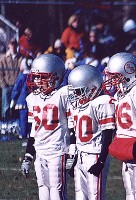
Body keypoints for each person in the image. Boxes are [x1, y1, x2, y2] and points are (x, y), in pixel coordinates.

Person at [103, 52, 136, 199]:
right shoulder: (122, 94)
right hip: (128, 147)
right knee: (130, 194)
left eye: (116, 77)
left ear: (129, 73)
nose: (112, 81)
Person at [20, 54, 70, 200]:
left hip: (57, 150)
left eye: (41, 77)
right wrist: (29, 155)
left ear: (55, 77)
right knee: (43, 190)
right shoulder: (32, 98)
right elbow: (34, 131)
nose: (36, 81)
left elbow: (73, 124)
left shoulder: (63, 94)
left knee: (57, 192)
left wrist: (72, 149)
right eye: (35, 77)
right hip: (41, 150)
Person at [67, 64, 115, 199]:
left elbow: (107, 134)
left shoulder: (102, 102)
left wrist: (101, 160)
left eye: (79, 91)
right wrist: (74, 157)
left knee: (95, 196)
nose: (76, 95)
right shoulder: (77, 106)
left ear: (93, 88)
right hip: (80, 155)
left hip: (95, 154)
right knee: (80, 196)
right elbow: (75, 135)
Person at [10, 57, 33, 141]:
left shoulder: (21, 76)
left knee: (23, 118)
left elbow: (17, 88)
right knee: (30, 118)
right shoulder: (33, 76)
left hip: (22, 100)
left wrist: (13, 98)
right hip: (32, 101)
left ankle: (23, 133)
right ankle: (30, 133)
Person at [0, 39, 23, 121]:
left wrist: (19, 85)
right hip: (7, 86)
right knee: (6, 102)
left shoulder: (21, 58)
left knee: (17, 104)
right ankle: (6, 120)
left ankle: (16, 121)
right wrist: (4, 85)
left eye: (14, 44)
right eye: (11, 44)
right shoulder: (3, 59)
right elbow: (1, 74)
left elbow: (22, 72)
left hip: (17, 86)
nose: (13, 46)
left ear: (17, 46)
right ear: (9, 45)